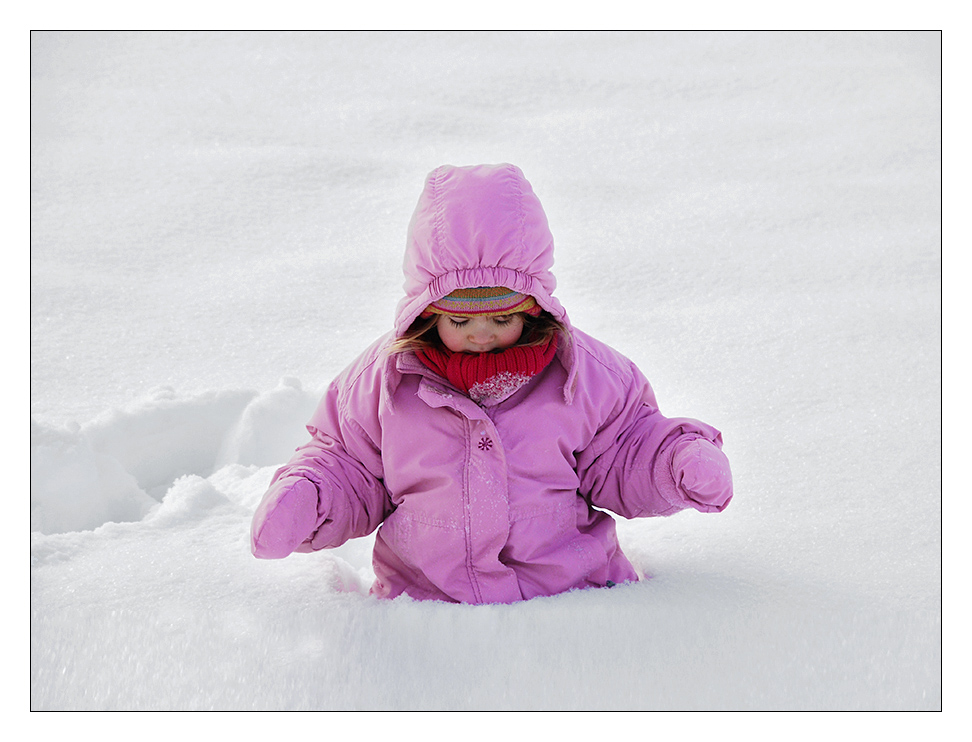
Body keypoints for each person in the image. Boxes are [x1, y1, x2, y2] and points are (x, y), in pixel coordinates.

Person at [250, 163, 733, 604]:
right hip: (431, 611)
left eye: (503, 317)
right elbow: (349, 465)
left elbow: (625, 450)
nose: (482, 334)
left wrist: (674, 462)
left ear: (534, 305)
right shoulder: (383, 384)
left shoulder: (585, 375)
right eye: (460, 321)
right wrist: (309, 498)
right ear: (427, 313)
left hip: (572, 604)